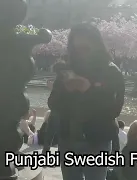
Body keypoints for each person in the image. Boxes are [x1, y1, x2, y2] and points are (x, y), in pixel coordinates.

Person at [48, 22, 125, 180]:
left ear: (96, 45)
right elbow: (52, 104)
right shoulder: (67, 69)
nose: (81, 54)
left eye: (85, 48)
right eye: (76, 49)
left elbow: (114, 110)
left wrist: (89, 90)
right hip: (68, 139)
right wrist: (65, 90)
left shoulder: (111, 71)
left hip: (97, 142)